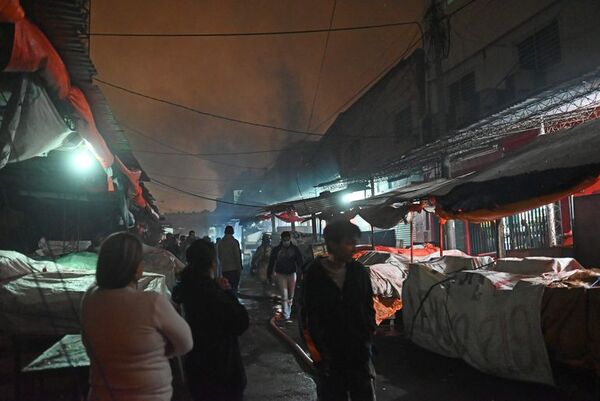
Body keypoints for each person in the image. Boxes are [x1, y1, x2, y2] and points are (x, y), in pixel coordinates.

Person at [81, 232, 193, 401]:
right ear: (133, 267)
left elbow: (90, 346)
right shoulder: (151, 302)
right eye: (140, 261)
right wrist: (154, 350)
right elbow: (185, 343)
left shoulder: (89, 299)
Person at [301, 221, 376, 401]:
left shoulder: (358, 272)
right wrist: (318, 353)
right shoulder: (314, 275)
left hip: (358, 353)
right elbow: (307, 316)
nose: (354, 248)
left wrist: (368, 334)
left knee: (363, 393)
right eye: (349, 243)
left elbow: (367, 305)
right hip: (329, 356)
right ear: (333, 244)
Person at [173, 240, 249, 401]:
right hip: (221, 371)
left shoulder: (185, 287)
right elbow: (240, 322)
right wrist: (227, 292)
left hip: (196, 368)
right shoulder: (212, 293)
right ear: (212, 263)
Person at [268, 231, 303, 320]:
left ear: (290, 239)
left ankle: (288, 312)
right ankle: (286, 315)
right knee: (284, 295)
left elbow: (300, 262)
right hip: (280, 274)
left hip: (292, 274)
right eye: (284, 240)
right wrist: (269, 273)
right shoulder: (277, 250)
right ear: (282, 239)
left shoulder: (295, 249)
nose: (286, 241)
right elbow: (271, 262)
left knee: (291, 296)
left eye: (287, 239)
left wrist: (302, 272)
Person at [217, 226, 243, 295]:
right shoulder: (234, 242)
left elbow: (219, 257)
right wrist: (239, 269)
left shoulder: (220, 243)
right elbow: (237, 257)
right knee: (234, 289)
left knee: (226, 290)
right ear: (232, 232)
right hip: (234, 269)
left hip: (224, 270)